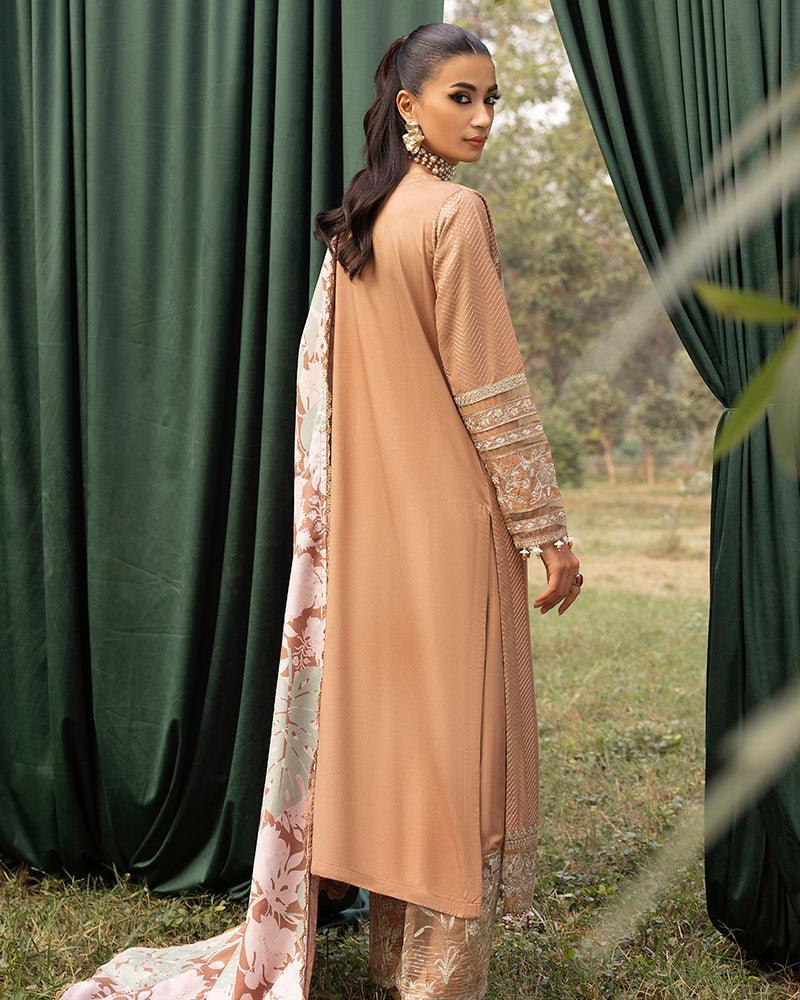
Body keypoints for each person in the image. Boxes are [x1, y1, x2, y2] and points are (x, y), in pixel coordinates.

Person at [56, 21, 581, 1000]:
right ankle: (435, 978)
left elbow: (325, 396)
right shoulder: (453, 215)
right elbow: (492, 388)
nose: (482, 117)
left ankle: (399, 960)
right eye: (461, 96)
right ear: (408, 107)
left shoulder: (360, 223)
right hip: (453, 529)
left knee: (405, 744)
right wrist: (545, 530)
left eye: (492, 99)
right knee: (455, 749)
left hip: (370, 536)